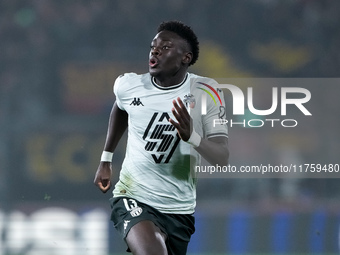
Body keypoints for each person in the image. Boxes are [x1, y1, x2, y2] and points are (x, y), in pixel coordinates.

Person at [94, 20, 229, 255]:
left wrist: (192, 137)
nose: (155, 50)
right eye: (153, 46)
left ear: (185, 58)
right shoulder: (129, 85)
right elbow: (121, 107)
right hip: (133, 196)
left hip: (180, 210)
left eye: (165, 47)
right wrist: (105, 159)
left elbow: (222, 157)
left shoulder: (207, 92)